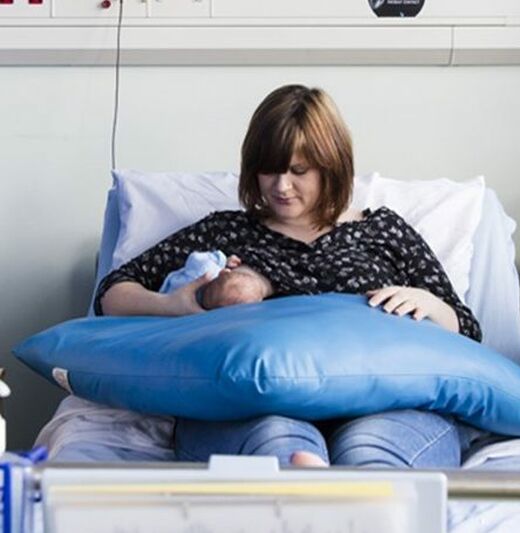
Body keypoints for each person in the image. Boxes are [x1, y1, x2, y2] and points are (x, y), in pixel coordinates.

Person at [94, 84, 482, 468]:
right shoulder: (227, 232)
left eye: (299, 171)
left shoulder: (383, 231)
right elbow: (112, 292)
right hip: (255, 408)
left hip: (387, 405)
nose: (281, 186)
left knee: (371, 455)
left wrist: (429, 303)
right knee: (279, 449)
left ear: (331, 165)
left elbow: (467, 329)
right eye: (269, 170)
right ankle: (307, 493)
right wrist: (172, 305)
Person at [160, 250, 273, 310]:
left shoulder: (209, 269)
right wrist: (221, 260)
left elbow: (195, 257)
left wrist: (223, 260)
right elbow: (196, 258)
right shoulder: (206, 270)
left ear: (223, 272)